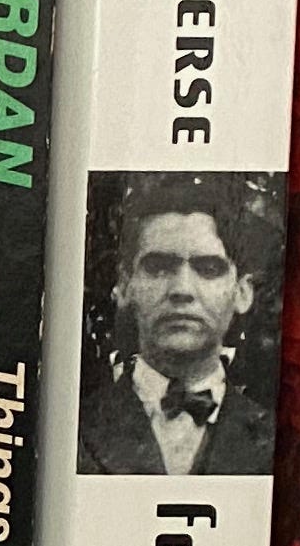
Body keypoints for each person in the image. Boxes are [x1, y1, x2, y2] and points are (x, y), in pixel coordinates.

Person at [75, 187, 276, 477]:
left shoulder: (278, 439)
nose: (182, 290)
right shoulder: (73, 426)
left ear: (242, 293)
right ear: (125, 285)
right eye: (158, 267)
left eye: (208, 268)